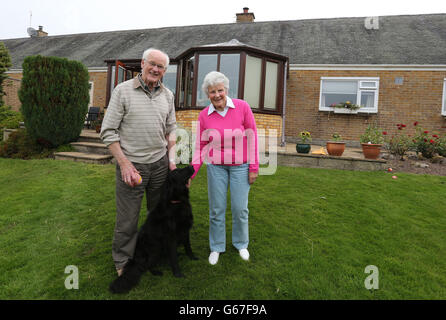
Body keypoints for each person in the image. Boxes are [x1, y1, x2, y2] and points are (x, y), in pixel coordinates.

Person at [100, 48, 177, 276]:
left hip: (160, 165)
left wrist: (171, 163)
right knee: (128, 220)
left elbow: (171, 129)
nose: (155, 69)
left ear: (165, 70)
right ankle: (123, 261)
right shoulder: (122, 91)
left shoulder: (168, 95)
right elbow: (108, 131)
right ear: (143, 64)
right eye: (152, 64)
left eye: (160, 66)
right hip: (132, 166)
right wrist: (124, 163)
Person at [191, 71, 259, 265]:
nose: (217, 94)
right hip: (216, 167)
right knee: (216, 209)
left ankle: (241, 243)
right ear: (207, 94)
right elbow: (200, 146)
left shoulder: (242, 107)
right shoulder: (204, 115)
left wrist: (253, 167)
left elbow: (252, 137)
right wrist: (192, 172)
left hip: (241, 166)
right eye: (212, 92)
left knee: (240, 208)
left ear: (226, 90)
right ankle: (216, 246)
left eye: (220, 90)